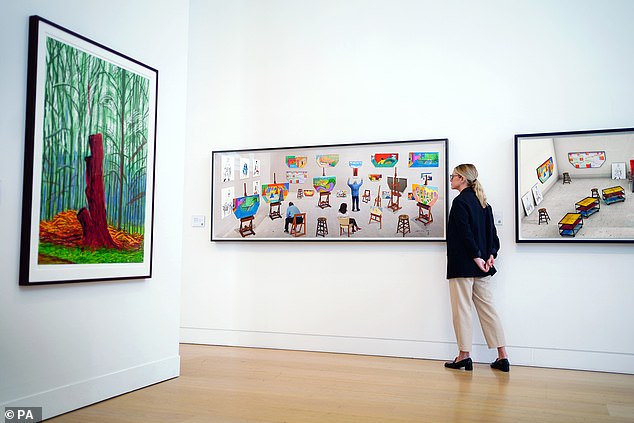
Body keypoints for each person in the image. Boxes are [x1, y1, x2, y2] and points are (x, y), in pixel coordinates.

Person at [444, 164, 509, 372]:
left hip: (463, 265)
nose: (451, 179)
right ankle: (502, 356)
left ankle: (463, 356)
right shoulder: (484, 204)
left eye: (453, 176)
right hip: (481, 267)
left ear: (463, 179)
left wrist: (476, 257)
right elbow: (493, 236)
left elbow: (464, 234)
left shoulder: (460, 202)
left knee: (462, 310)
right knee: (488, 310)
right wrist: (490, 255)